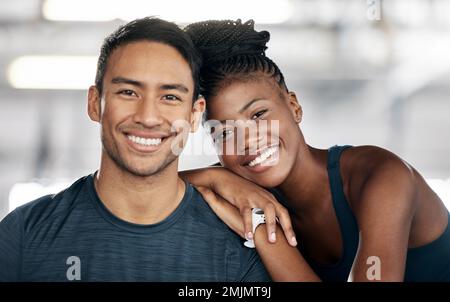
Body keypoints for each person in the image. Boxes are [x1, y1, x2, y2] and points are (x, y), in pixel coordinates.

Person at [0, 17, 281, 282]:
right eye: (128, 92)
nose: (147, 116)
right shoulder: (23, 235)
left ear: (195, 115)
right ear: (95, 103)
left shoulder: (240, 250)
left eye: (170, 96)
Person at [180, 19, 450, 281]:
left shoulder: (381, 177)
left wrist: (266, 237)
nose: (247, 141)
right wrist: (215, 177)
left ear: (294, 106)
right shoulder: (238, 188)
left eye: (259, 114)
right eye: (225, 132)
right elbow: (143, 191)